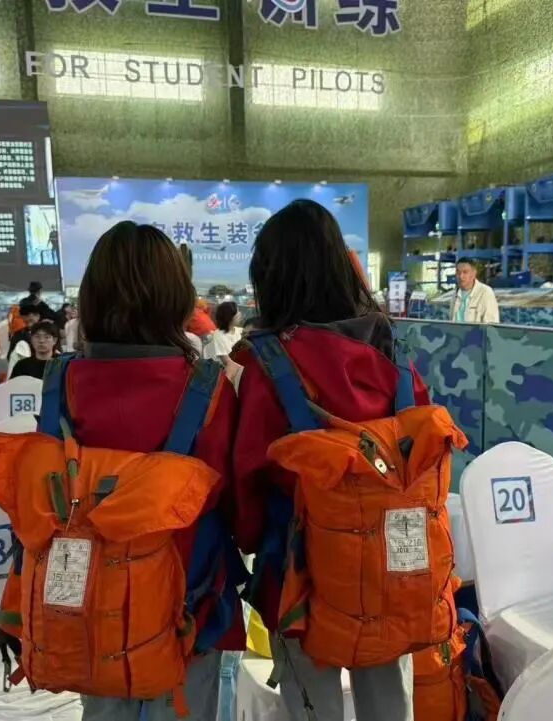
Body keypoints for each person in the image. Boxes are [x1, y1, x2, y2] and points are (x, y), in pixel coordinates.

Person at [231, 199, 434, 721]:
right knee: (388, 700)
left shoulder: (268, 365)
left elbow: (250, 477)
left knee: (312, 706)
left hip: (299, 576)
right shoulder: (392, 352)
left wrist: (249, 539)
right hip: (387, 569)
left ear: (271, 276)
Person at [43, 220, 243, 720]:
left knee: (103, 705)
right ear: (176, 295)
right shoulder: (206, 388)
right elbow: (229, 500)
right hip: (186, 599)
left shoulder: (61, 382)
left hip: (90, 596)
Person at [450, 258, 500, 323]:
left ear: (473, 274)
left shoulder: (485, 292)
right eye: (458, 272)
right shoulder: (455, 294)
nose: (461, 276)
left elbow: (491, 324)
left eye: (465, 272)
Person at [6, 302, 43, 372]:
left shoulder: (48, 333)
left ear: (38, 316)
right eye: (25, 316)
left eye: (31, 318)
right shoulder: (18, 335)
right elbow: (10, 356)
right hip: (24, 370)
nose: (27, 319)